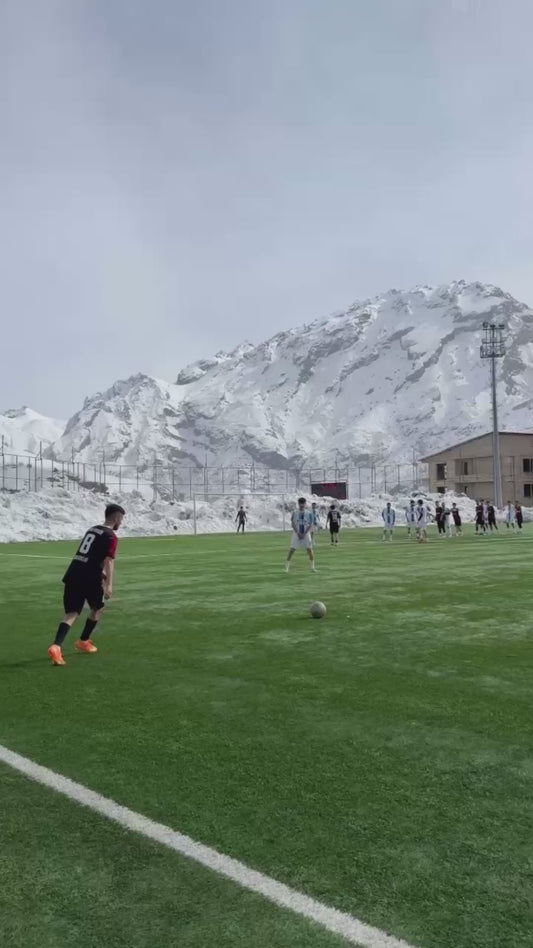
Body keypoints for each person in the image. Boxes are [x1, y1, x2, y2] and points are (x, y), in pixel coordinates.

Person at [48, 503, 126, 666]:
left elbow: (90, 553)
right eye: (121, 519)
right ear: (117, 517)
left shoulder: (92, 529)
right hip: (89, 578)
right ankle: (83, 640)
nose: (121, 522)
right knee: (98, 608)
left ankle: (56, 646)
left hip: (73, 573)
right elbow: (109, 560)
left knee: (72, 612)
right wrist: (109, 585)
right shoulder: (110, 536)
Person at [285, 497, 315, 572]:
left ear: (305, 504)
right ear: (298, 504)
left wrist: (304, 533)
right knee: (292, 550)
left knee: (310, 550)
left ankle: (312, 567)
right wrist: (298, 533)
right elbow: (293, 524)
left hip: (306, 534)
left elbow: (310, 524)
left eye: (303, 504)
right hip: (296, 534)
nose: (301, 505)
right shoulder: (295, 513)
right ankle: (286, 568)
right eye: (300, 504)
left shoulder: (309, 513)